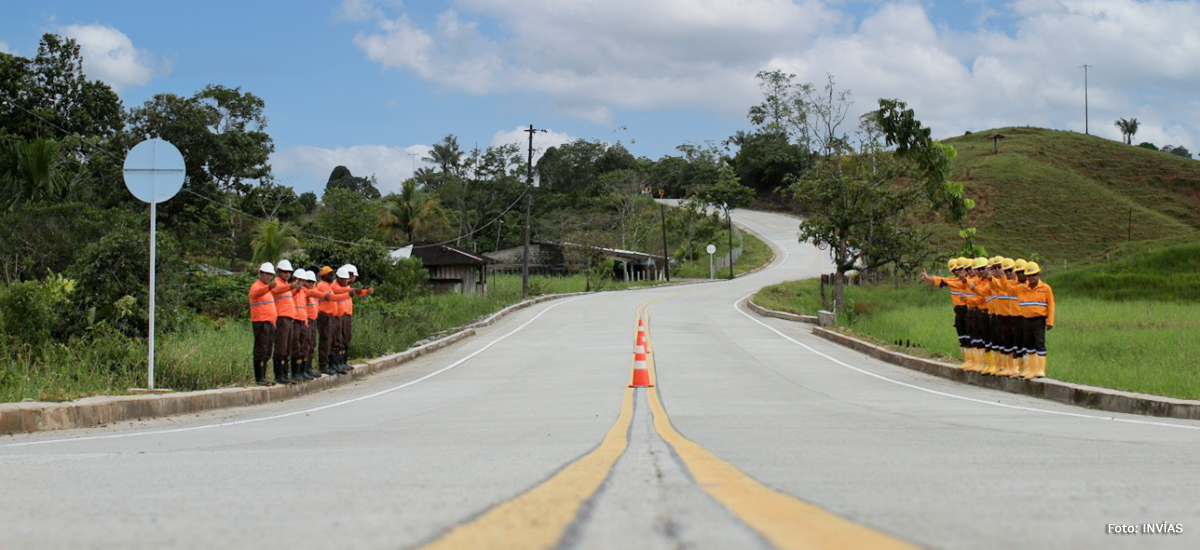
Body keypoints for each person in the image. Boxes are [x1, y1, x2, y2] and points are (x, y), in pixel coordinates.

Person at [921, 257, 972, 368]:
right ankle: (966, 361)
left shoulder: (967, 281)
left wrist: (933, 279)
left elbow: (947, 282)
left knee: (970, 336)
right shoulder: (954, 280)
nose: (957, 272)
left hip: (968, 310)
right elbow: (943, 279)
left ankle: (973, 361)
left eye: (959, 270)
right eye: (954, 271)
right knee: (962, 336)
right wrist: (929, 278)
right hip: (959, 311)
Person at [1016, 261, 1055, 379]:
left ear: (1038, 275)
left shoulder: (1045, 288)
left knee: (1039, 343)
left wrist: (1050, 321)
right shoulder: (1021, 289)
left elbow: (1051, 305)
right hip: (1025, 320)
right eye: (1029, 275)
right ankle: (1032, 370)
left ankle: (1040, 370)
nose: (1032, 278)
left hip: (1038, 320)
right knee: (1028, 344)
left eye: (1034, 275)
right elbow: (1006, 288)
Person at [270, 259, 302, 385]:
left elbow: (287, 293)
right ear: (278, 271)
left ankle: (285, 373)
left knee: (287, 347)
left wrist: (296, 289)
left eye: (289, 272)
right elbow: (277, 290)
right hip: (281, 318)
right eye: (285, 272)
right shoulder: (277, 283)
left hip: (289, 318)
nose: (287, 274)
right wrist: (291, 286)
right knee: (281, 347)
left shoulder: (285, 284)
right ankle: (279, 374)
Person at [249, 263, 277, 386]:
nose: (268, 276)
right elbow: (257, 293)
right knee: (261, 350)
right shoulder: (257, 286)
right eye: (266, 274)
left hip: (269, 323)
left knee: (267, 350)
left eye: (270, 274)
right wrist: (269, 287)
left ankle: (263, 377)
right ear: (260, 273)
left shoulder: (268, 289)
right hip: (261, 323)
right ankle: (259, 378)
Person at [289, 269, 313, 382]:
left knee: (305, 346)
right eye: (300, 280)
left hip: (303, 322)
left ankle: (302, 371)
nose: (301, 283)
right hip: (295, 322)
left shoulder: (303, 292)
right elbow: (288, 296)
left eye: (303, 281)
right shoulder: (290, 289)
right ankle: (295, 373)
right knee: (296, 347)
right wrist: (295, 289)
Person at [316, 266, 340, 375]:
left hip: (330, 316)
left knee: (330, 340)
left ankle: (329, 363)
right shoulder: (321, 286)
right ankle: (323, 365)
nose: (332, 276)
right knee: (325, 340)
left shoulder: (328, 286)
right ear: (324, 275)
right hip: (324, 316)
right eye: (330, 274)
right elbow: (330, 298)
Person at [302, 269, 321, 379]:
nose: (310, 284)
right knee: (306, 345)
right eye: (308, 281)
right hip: (307, 321)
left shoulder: (313, 291)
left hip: (313, 321)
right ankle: (304, 369)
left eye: (312, 282)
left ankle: (308, 368)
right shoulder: (305, 291)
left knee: (312, 345)